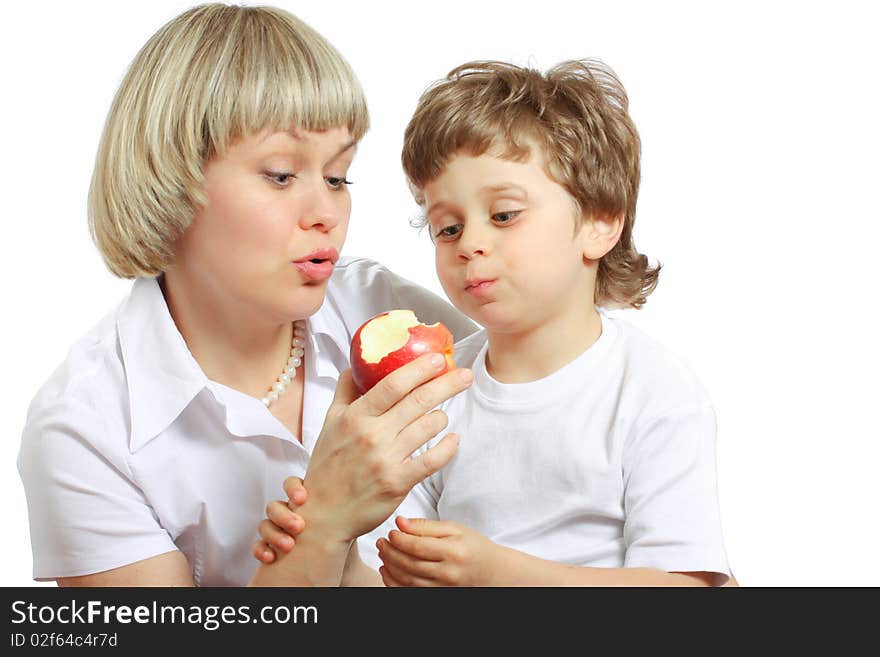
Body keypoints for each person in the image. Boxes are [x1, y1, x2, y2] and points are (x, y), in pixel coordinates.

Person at [16, 3, 477, 587]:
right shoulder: (86, 428)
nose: (325, 213)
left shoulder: (382, 310)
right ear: (171, 179)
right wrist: (323, 522)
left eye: (338, 177)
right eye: (282, 175)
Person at [256, 60, 735, 586]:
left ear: (601, 223)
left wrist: (495, 574)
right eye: (448, 228)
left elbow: (692, 588)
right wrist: (328, 540)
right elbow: (387, 580)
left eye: (504, 215)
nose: (470, 244)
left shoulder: (652, 389)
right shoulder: (435, 392)